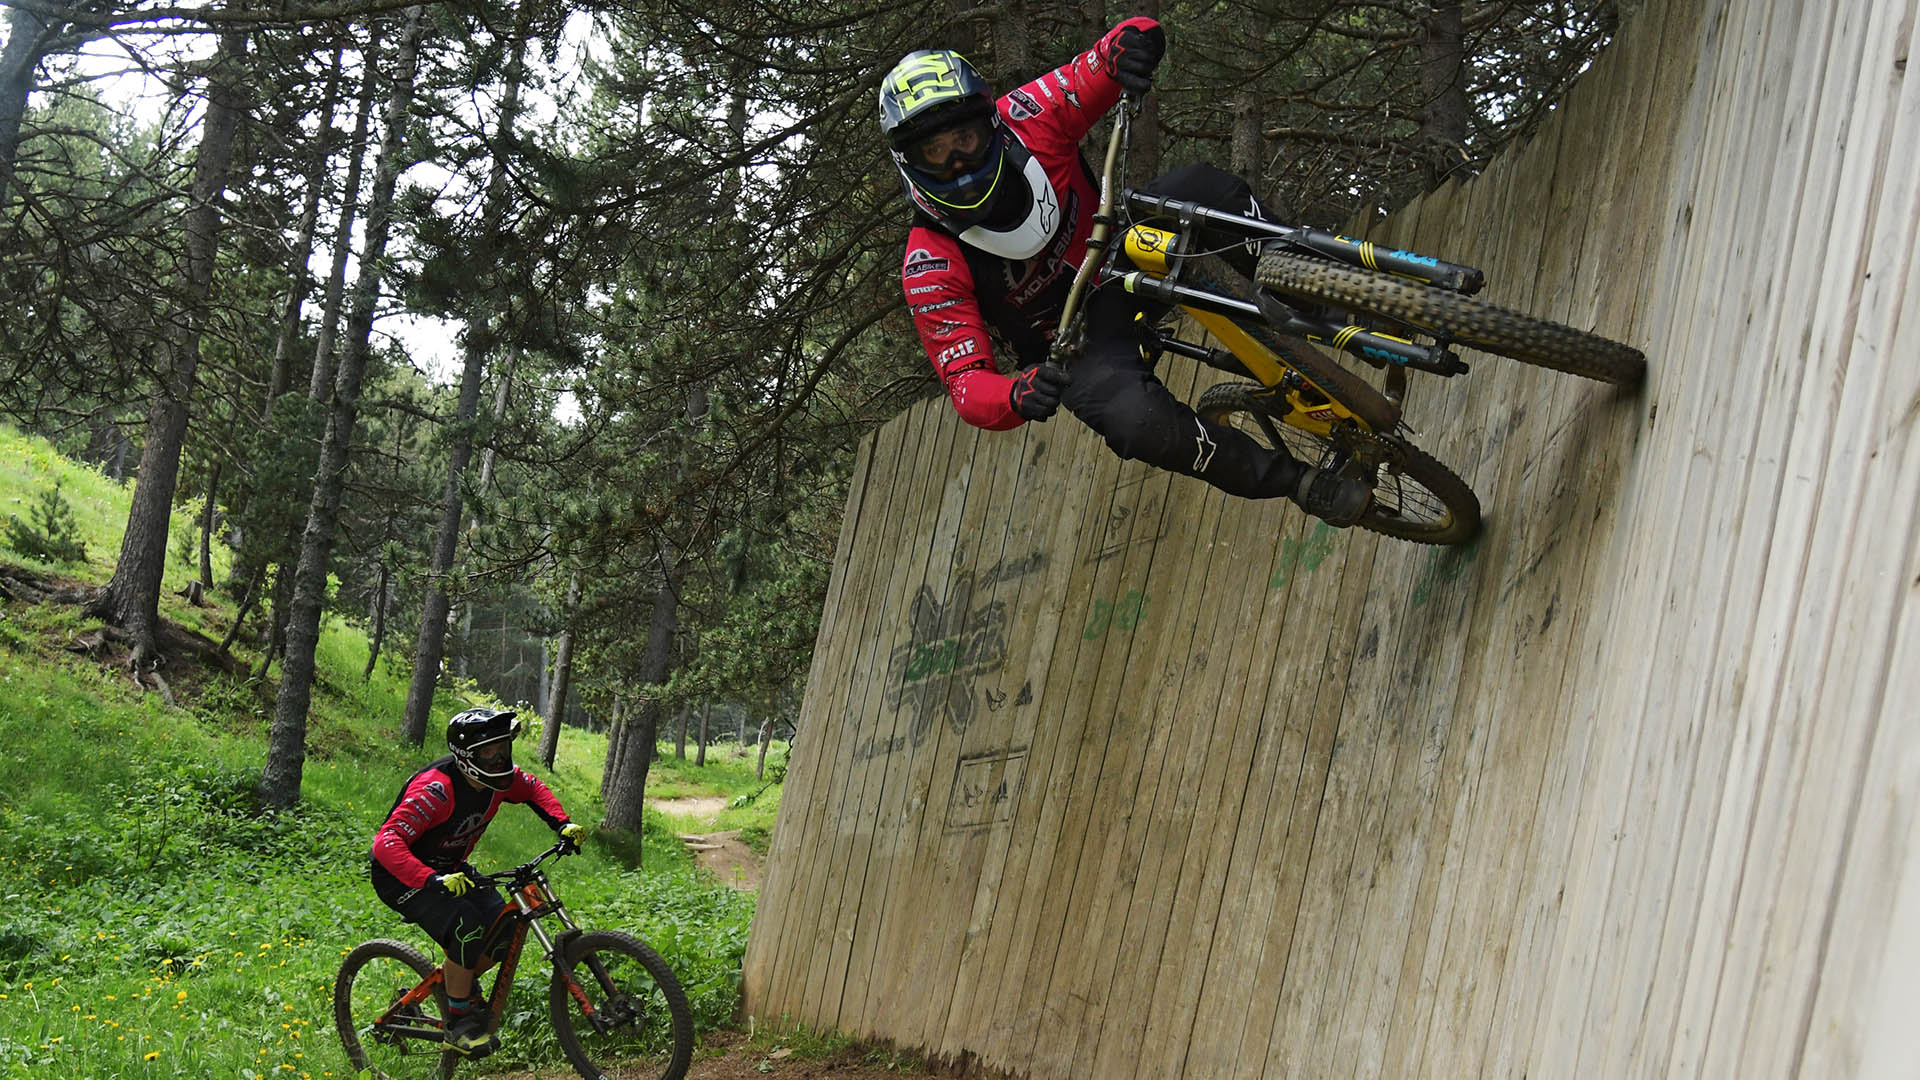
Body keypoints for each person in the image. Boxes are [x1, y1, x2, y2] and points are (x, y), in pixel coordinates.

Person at [880, 18, 1370, 524]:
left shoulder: (1029, 114)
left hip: (1122, 246)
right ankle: (1300, 482)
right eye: (934, 151)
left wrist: (1132, 47)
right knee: (1138, 425)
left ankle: (1332, 296)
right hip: (1076, 339)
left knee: (1205, 191)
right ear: (908, 162)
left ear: (991, 123)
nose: (957, 161)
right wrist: (1014, 393)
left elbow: (1105, 54)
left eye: (964, 137)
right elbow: (965, 383)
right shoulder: (929, 262)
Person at [368, 706, 587, 1055]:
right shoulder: (436, 790)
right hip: (403, 877)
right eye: (489, 752)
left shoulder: (496, 780)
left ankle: (452, 985)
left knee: (504, 932)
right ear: (467, 757)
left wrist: (562, 823)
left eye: (502, 749)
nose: (500, 758)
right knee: (466, 927)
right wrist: (432, 878)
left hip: (451, 868)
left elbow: (531, 788)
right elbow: (386, 843)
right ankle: (459, 1023)